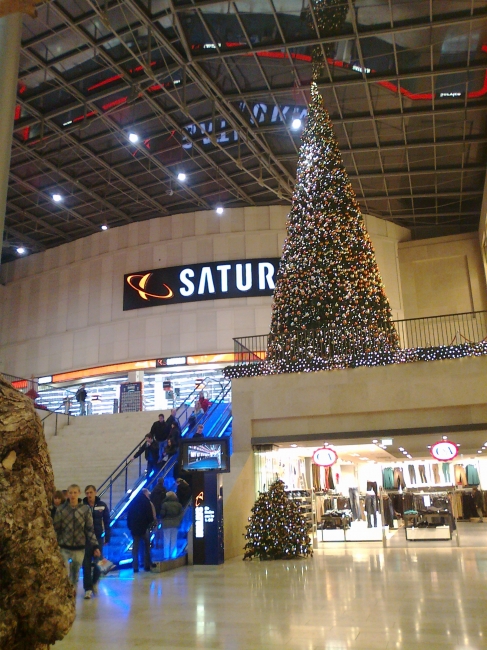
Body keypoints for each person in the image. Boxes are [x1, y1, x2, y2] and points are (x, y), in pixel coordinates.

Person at [53, 484, 100, 593]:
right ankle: (63, 592)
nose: (73, 495)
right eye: (70, 493)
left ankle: (72, 592)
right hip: (64, 546)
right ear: (67, 494)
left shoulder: (85, 509)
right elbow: (56, 528)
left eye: (75, 492)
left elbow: (89, 529)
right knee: (64, 571)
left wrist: (95, 546)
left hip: (79, 547)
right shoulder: (61, 509)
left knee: (75, 573)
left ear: (79, 493)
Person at [82, 485, 111, 599]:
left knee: (99, 562)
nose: (89, 495)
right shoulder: (82, 506)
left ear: (95, 492)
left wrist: (108, 536)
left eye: (90, 492)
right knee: (86, 563)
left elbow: (107, 521)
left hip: (98, 537)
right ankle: (87, 588)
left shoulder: (102, 505)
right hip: (86, 538)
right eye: (87, 493)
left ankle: (95, 582)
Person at [127, 488, 156, 572]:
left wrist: (130, 526)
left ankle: (135, 566)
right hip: (144, 528)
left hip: (134, 528)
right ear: (145, 494)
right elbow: (150, 516)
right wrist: (149, 524)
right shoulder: (146, 502)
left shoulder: (133, 502)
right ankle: (147, 565)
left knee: (135, 547)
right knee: (147, 546)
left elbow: (129, 515)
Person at [160, 491, 183, 560]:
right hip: (175, 524)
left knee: (166, 539)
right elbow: (181, 515)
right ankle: (173, 555)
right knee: (174, 539)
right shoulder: (179, 505)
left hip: (166, 523)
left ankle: (166, 555)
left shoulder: (165, 504)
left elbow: (162, 514)